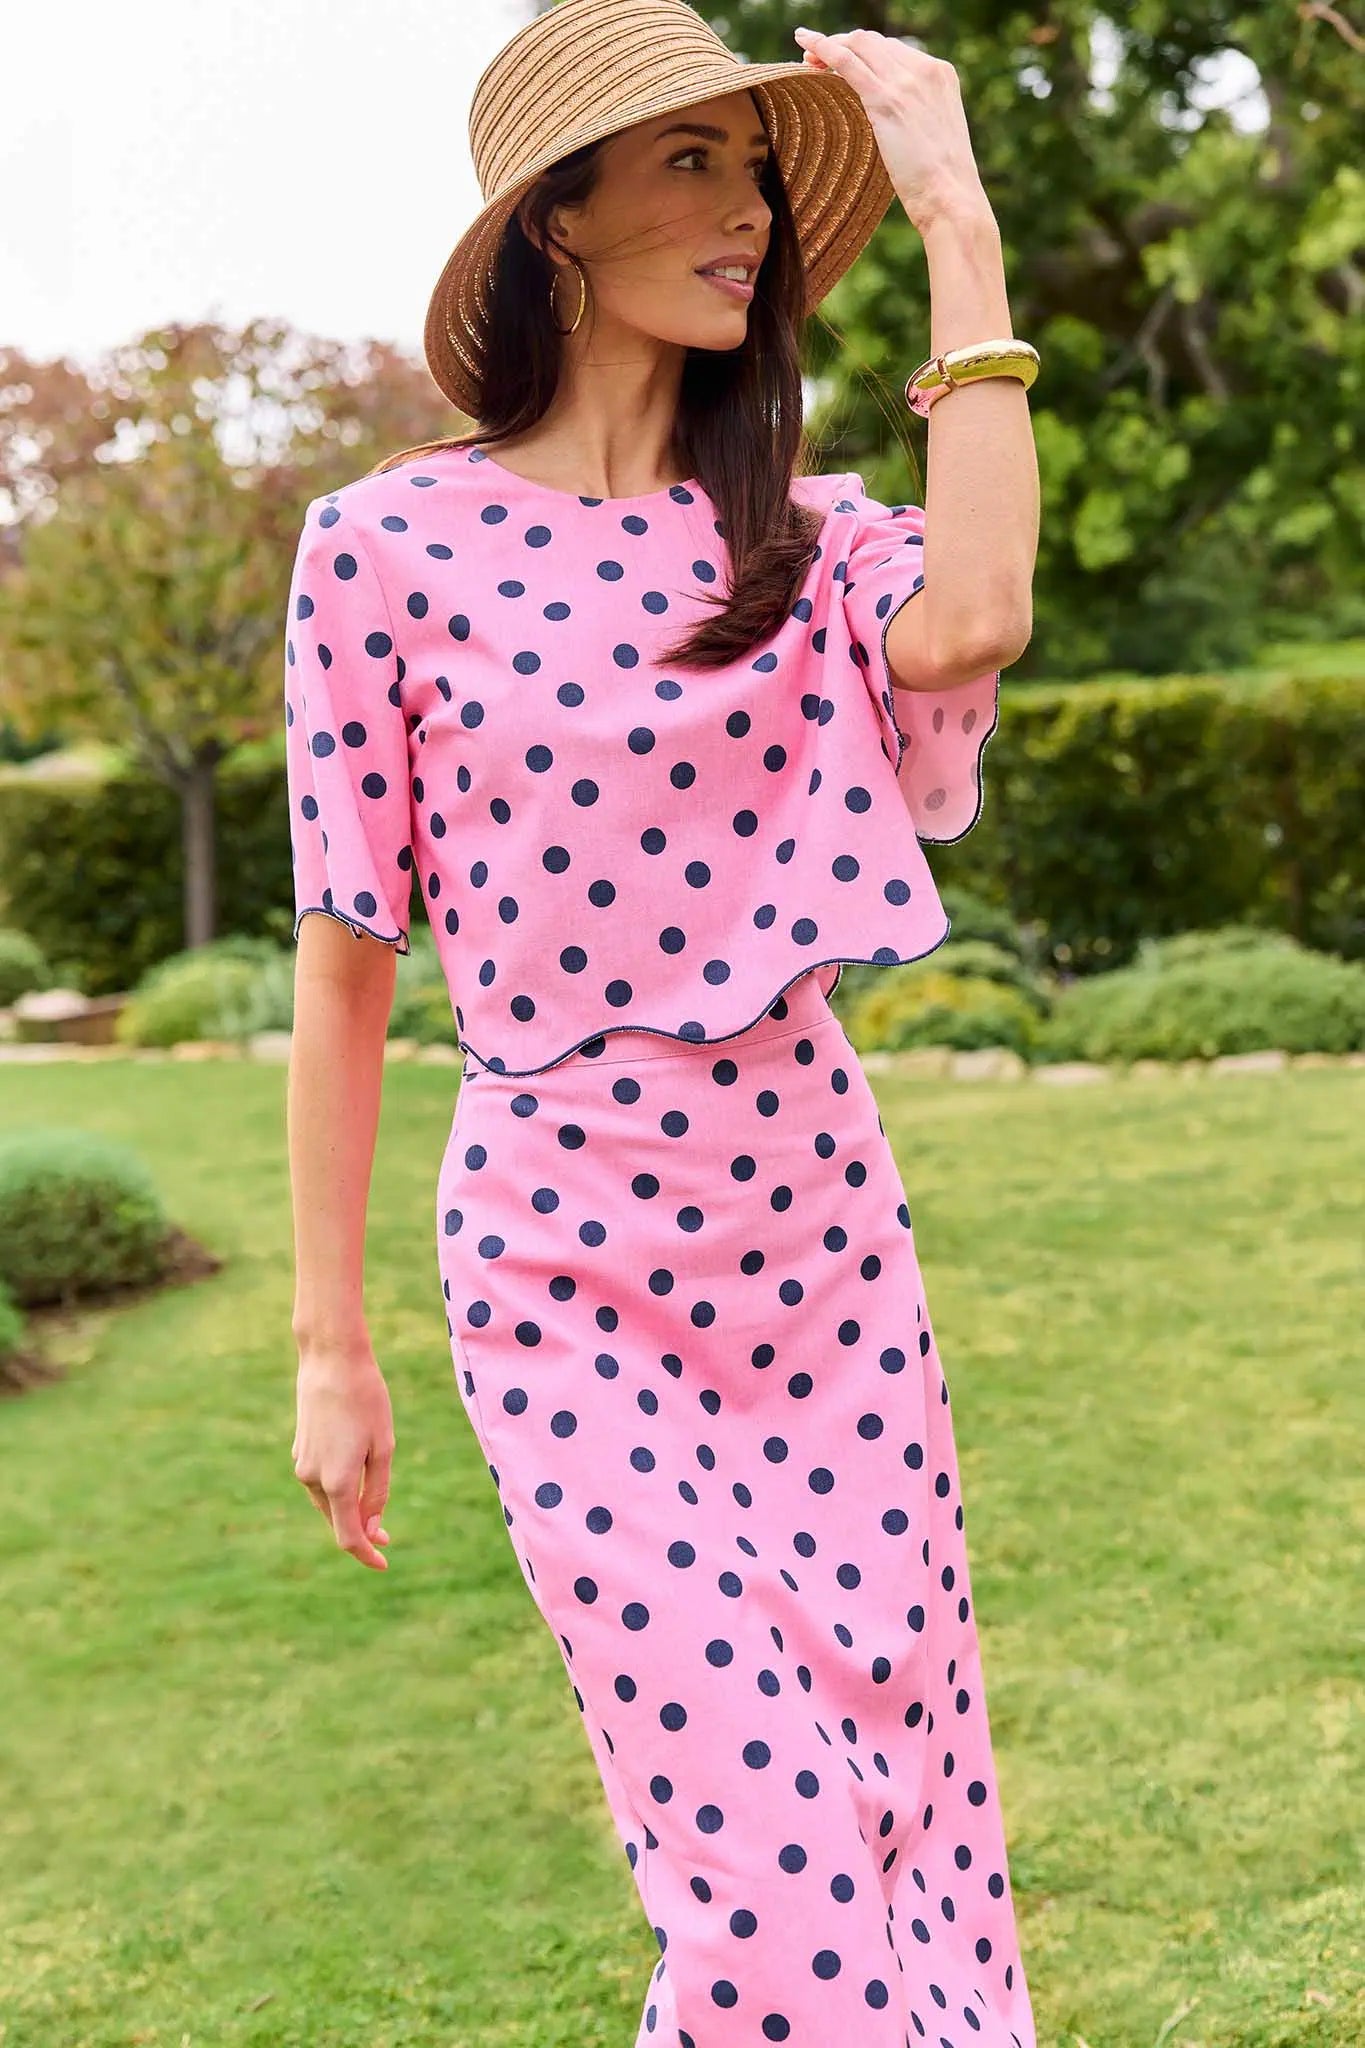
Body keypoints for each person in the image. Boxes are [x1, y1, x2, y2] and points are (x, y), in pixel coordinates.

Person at [285, 1, 1040, 2042]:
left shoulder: (792, 534)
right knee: (761, 1862)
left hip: (815, 1234)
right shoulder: (380, 549)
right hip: (560, 1263)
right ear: (556, 226)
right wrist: (332, 1343)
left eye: (757, 166)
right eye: (693, 162)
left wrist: (955, 213)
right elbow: (347, 962)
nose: (749, 213)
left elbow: (969, 616)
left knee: (894, 1795)